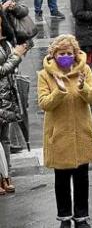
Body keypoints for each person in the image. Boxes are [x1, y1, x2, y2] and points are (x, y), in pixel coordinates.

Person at [37, 35, 92, 227]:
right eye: (61, 53)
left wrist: (82, 88)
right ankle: (64, 217)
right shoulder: (44, 75)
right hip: (59, 136)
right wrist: (60, 91)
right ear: (53, 55)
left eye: (69, 53)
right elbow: (44, 104)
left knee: (82, 179)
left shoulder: (85, 70)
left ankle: (81, 216)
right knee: (61, 181)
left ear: (75, 54)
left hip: (82, 133)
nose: (65, 56)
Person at [0, 17, 28, 196]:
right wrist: (16, 56)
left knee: (5, 139)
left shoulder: (5, 42)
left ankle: (6, 174)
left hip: (6, 97)